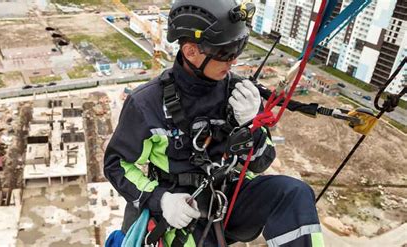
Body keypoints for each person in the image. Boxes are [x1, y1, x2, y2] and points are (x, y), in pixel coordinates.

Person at [104, 0, 325, 246]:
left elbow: (261, 162)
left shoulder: (238, 93)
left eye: (237, 52)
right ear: (190, 52)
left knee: (294, 194)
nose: (233, 63)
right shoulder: (147, 105)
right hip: (183, 209)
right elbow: (116, 165)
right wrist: (161, 200)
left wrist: (251, 126)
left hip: (231, 197)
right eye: (225, 54)